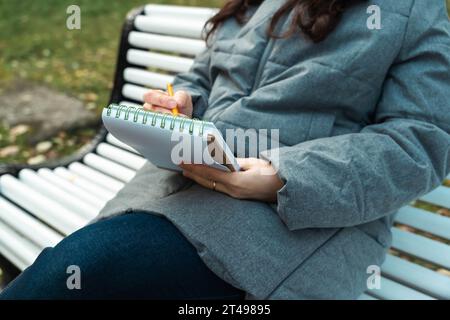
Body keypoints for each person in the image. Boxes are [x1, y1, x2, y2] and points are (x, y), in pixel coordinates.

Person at [2, 0, 450, 299]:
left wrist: (280, 177)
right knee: (73, 271)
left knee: (83, 271)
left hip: (297, 222)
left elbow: (419, 142)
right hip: (183, 182)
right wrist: (181, 101)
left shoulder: (414, 11)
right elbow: (204, 75)